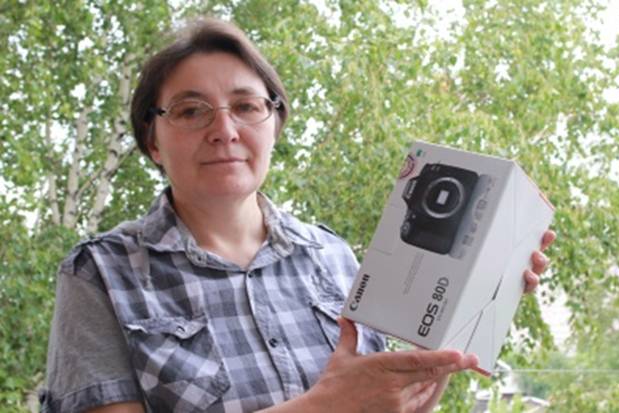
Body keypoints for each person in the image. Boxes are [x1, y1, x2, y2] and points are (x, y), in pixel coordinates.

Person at [40, 18, 556, 413]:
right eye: (191, 110)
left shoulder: (332, 256)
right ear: (152, 141)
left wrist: (470, 304)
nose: (224, 131)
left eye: (246, 106)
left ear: (275, 124)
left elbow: (386, 406)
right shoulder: (100, 273)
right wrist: (323, 406)